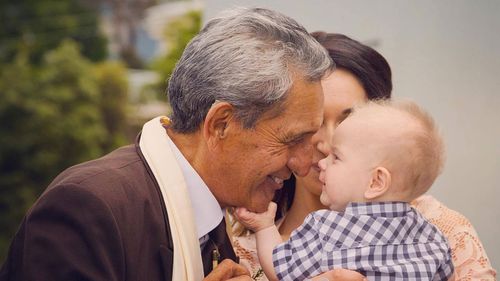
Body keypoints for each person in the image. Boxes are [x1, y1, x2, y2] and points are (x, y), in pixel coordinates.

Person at [0, 8, 337, 281]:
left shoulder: (212, 210)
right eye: (293, 139)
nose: (305, 164)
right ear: (221, 124)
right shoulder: (89, 208)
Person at [231, 32, 496, 281]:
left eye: (350, 122)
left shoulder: (445, 228)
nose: (328, 143)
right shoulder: (237, 244)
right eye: (314, 122)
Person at [236, 99, 455, 281]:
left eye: (336, 157)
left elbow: (279, 268)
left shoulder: (326, 228)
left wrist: (264, 227)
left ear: (376, 182)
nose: (322, 162)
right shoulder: (433, 237)